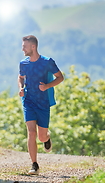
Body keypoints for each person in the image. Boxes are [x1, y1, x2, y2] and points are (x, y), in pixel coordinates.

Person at [18, 35, 64, 175]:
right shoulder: (23, 63)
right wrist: (21, 87)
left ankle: (47, 138)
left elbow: (60, 77)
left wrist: (47, 86)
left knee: (41, 137)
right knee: (31, 132)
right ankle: (34, 164)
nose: (22, 48)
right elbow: (21, 77)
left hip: (43, 103)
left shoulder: (47, 62)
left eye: (25, 46)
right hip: (28, 101)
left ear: (33, 47)